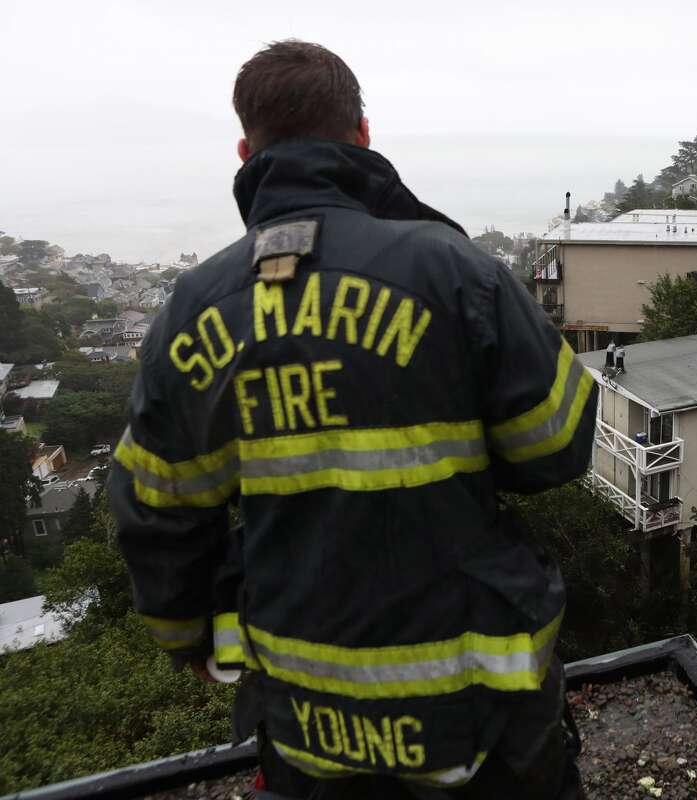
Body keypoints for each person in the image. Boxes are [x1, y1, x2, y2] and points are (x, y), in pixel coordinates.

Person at [109, 40, 597, 799]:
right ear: (362, 135)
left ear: (245, 150)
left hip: (304, 716)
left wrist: (188, 643)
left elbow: (155, 511)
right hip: (483, 703)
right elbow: (557, 448)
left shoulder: (193, 310)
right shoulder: (456, 270)